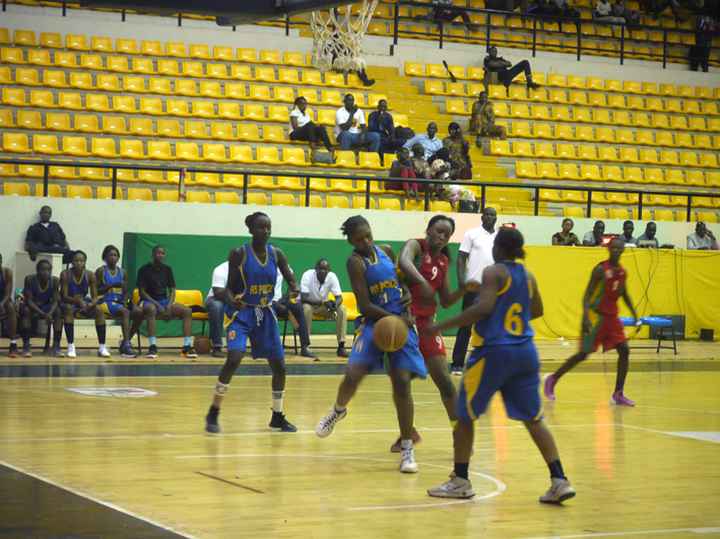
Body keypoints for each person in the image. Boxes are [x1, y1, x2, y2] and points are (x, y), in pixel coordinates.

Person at [425, 227, 576, 504]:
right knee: (534, 418)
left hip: (494, 352)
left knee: (464, 414)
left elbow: (482, 309)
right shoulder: (528, 276)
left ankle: (460, 480)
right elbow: (538, 310)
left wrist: (440, 325)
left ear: (500, 249)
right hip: (525, 352)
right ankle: (559, 480)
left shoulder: (493, 272)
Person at [315, 216, 428, 474]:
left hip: (399, 323)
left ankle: (407, 447)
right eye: (359, 239)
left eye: (368, 235)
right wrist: (393, 319)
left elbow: (401, 282)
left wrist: (407, 293)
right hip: (374, 322)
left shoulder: (386, 251)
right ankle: (338, 411)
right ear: (351, 241)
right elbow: (365, 305)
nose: (366, 241)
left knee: (401, 382)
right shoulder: (355, 262)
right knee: (353, 374)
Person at [205, 212, 298, 434]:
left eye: (268, 227)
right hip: (243, 312)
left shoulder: (277, 253)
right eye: (260, 227)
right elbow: (227, 288)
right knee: (234, 358)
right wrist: (230, 300)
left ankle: (277, 416)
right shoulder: (239, 254)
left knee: (280, 367)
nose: (265, 231)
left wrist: (293, 288)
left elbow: (290, 276)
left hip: (265, 313)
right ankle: (214, 412)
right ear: (250, 230)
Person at [389, 215, 466, 452]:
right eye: (439, 231)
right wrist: (421, 282)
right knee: (402, 382)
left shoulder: (443, 261)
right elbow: (403, 261)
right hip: (405, 323)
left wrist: (465, 288)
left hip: (428, 325)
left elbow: (445, 300)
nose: (442, 237)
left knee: (445, 382)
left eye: (447, 234)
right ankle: (407, 436)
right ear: (429, 230)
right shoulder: (416, 245)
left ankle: (460, 435)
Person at [544, 238, 640, 406]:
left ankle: (618, 393)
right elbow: (587, 295)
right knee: (583, 354)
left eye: (620, 248)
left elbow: (624, 293)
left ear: (623, 250)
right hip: (596, 317)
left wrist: (634, 314)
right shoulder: (600, 269)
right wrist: (585, 317)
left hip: (612, 319)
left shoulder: (622, 272)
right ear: (609, 249)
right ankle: (553, 378)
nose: (617, 250)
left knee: (624, 350)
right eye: (614, 248)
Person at [451, 207, 498, 375]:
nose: (490, 217)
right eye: (487, 214)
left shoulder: (498, 236)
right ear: (481, 217)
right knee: (466, 325)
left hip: (493, 288)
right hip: (474, 286)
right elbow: (461, 258)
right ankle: (457, 363)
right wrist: (461, 280)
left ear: (496, 218)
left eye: (493, 214)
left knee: (492, 326)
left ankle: (489, 362)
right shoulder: (471, 234)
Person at [136, 246, 197, 359]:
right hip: (148, 300)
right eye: (158, 253)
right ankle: (152, 346)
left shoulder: (167, 269)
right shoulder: (144, 270)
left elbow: (172, 290)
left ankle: (187, 346)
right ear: (152, 255)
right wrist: (158, 305)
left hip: (164, 301)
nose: (160, 255)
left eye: (162, 253)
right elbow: (142, 292)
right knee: (151, 309)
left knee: (187, 311)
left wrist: (169, 304)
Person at [60, 250, 108, 359]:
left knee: (99, 310)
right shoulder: (65, 274)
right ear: (72, 262)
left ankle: (102, 347)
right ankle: (71, 346)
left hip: (83, 301)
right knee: (68, 310)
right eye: (76, 260)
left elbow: (95, 296)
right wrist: (77, 301)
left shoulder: (90, 274)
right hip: (69, 301)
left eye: (81, 260)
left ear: (85, 262)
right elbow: (64, 296)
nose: (79, 263)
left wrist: (91, 304)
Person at [95, 245, 140, 359]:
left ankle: (126, 340)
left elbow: (126, 291)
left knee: (139, 312)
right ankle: (126, 346)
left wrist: (125, 299)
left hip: (119, 301)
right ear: (105, 257)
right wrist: (111, 285)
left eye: (115, 255)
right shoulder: (101, 271)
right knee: (125, 312)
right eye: (111, 255)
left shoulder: (123, 272)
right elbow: (95, 291)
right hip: (106, 300)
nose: (113, 257)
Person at [300, 259, 349, 358]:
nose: (323, 271)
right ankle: (305, 346)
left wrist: (335, 304)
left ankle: (341, 346)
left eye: (325, 269)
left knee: (342, 309)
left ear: (329, 270)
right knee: (306, 309)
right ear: (316, 269)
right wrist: (322, 302)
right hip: (310, 305)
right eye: (320, 269)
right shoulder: (307, 275)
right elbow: (304, 298)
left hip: (323, 307)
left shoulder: (332, 276)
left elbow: (339, 297)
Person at [273, 264, 318, 360]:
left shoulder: (284, 266)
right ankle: (273, 345)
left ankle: (304, 347)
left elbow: (292, 282)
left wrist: (292, 291)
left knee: (297, 306)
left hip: (280, 299)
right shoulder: (262, 267)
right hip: (265, 301)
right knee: (282, 308)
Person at [20, 259, 63, 357]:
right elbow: (29, 301)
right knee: (25, 310)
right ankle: (26, 346)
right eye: (42, 269)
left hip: (46, 307)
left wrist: (49, 313)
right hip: (33, 306)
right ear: (37, 270)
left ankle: (56, 346)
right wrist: (43, 314)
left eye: (48, 270)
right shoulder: (30, 279)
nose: (45, 272)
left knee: (58, 312)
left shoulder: (55, 281)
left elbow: (56, 300)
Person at [206, 255, 232, 358]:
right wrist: (234, 302)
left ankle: (257, 346)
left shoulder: (246, 270)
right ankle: (217, 346)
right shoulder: (221, 269)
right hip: (215, 299)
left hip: (235, 299)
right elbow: (218, 293)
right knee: (217, 307)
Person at [0, 253, 19, 357]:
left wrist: (1, 304)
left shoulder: (7, 272)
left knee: (11, 307)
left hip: (4, 299)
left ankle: (13, 344)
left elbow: (8, 293)